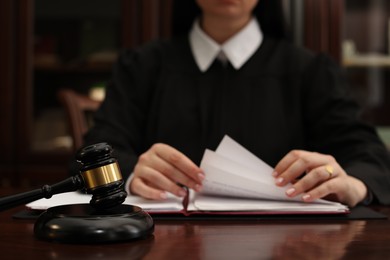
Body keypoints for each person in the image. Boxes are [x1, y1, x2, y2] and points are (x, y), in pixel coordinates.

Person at [81, 0, 390, 207]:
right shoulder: (142, 66)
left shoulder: (310, 71)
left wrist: (353, 184)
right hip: (160, 240)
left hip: (289, 243)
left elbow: (368, 155)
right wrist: (135, 173)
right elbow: (93, 153)